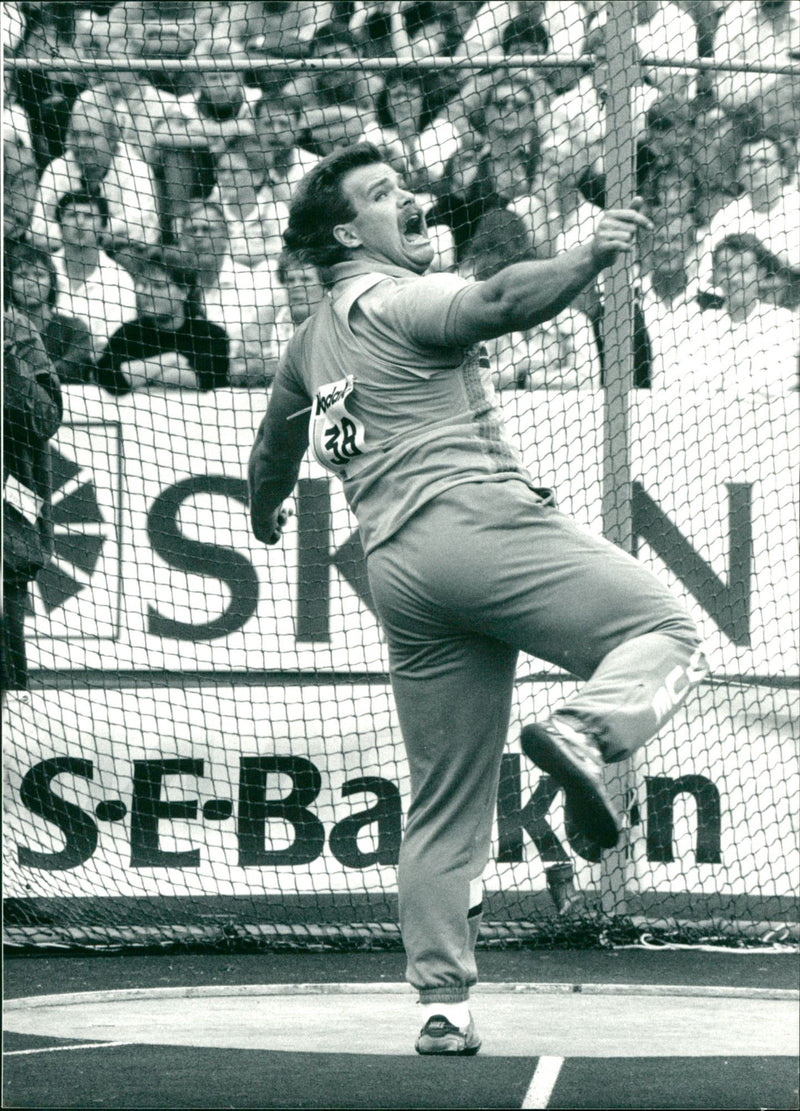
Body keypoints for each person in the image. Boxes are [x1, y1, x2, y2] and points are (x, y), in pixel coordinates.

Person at [247, 143, 707, 1055]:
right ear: (349, 234)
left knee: (445, 798)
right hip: (477, 525)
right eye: (385, 195)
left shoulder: (308, 345)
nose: (409, 199)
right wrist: (587, 255)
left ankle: (443, 1006)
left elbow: (273, 449)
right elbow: (496, 301)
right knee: (666, 627)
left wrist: (264, 512)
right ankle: (585, 729)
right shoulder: (398, 298)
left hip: (402, 579)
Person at [3, 303, 63, 691]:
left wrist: (10, 364)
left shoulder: (15, 328)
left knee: (6, 643)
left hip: (8, 520)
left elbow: (45, 419)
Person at [28, 93, 160, 254]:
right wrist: (95, 235)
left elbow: (142, 231)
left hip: (120, 256)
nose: (81, 143)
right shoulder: (57, 169)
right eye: (76, 135)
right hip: (66, 256)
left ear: (113, 139)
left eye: (91, 135)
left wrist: (74, 231)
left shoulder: (137, 170)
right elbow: (37, 229)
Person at [94, 247, 229, 395]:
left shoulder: (210, 335)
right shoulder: (129, 333)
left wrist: (138, 373)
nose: (147, 292)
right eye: (144, 285)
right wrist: (171, 359)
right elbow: (108, 377)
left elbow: (203, 379)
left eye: (158, 286)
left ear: (185, 291)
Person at [691, 233, 800, 396]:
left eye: (744, 270)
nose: (733, 278)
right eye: (725, 270)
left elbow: (781, 388)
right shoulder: (701, 325)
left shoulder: (783, 323)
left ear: (761, 274)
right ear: (715, 275)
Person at [50, 192, 138, 358]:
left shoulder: (119, 280)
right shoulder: (43, 270)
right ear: (60, 224)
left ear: (103, 227)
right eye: (72, 215)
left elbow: (114, 345)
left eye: (89, 216)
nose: (80, 222)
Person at [4, 238, 95, 385]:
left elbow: (70, 369)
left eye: (39, 275)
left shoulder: (75, 329)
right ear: (10, 284)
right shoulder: (5, 329)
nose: (31, 283)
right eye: (22, 276)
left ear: (52, 281)